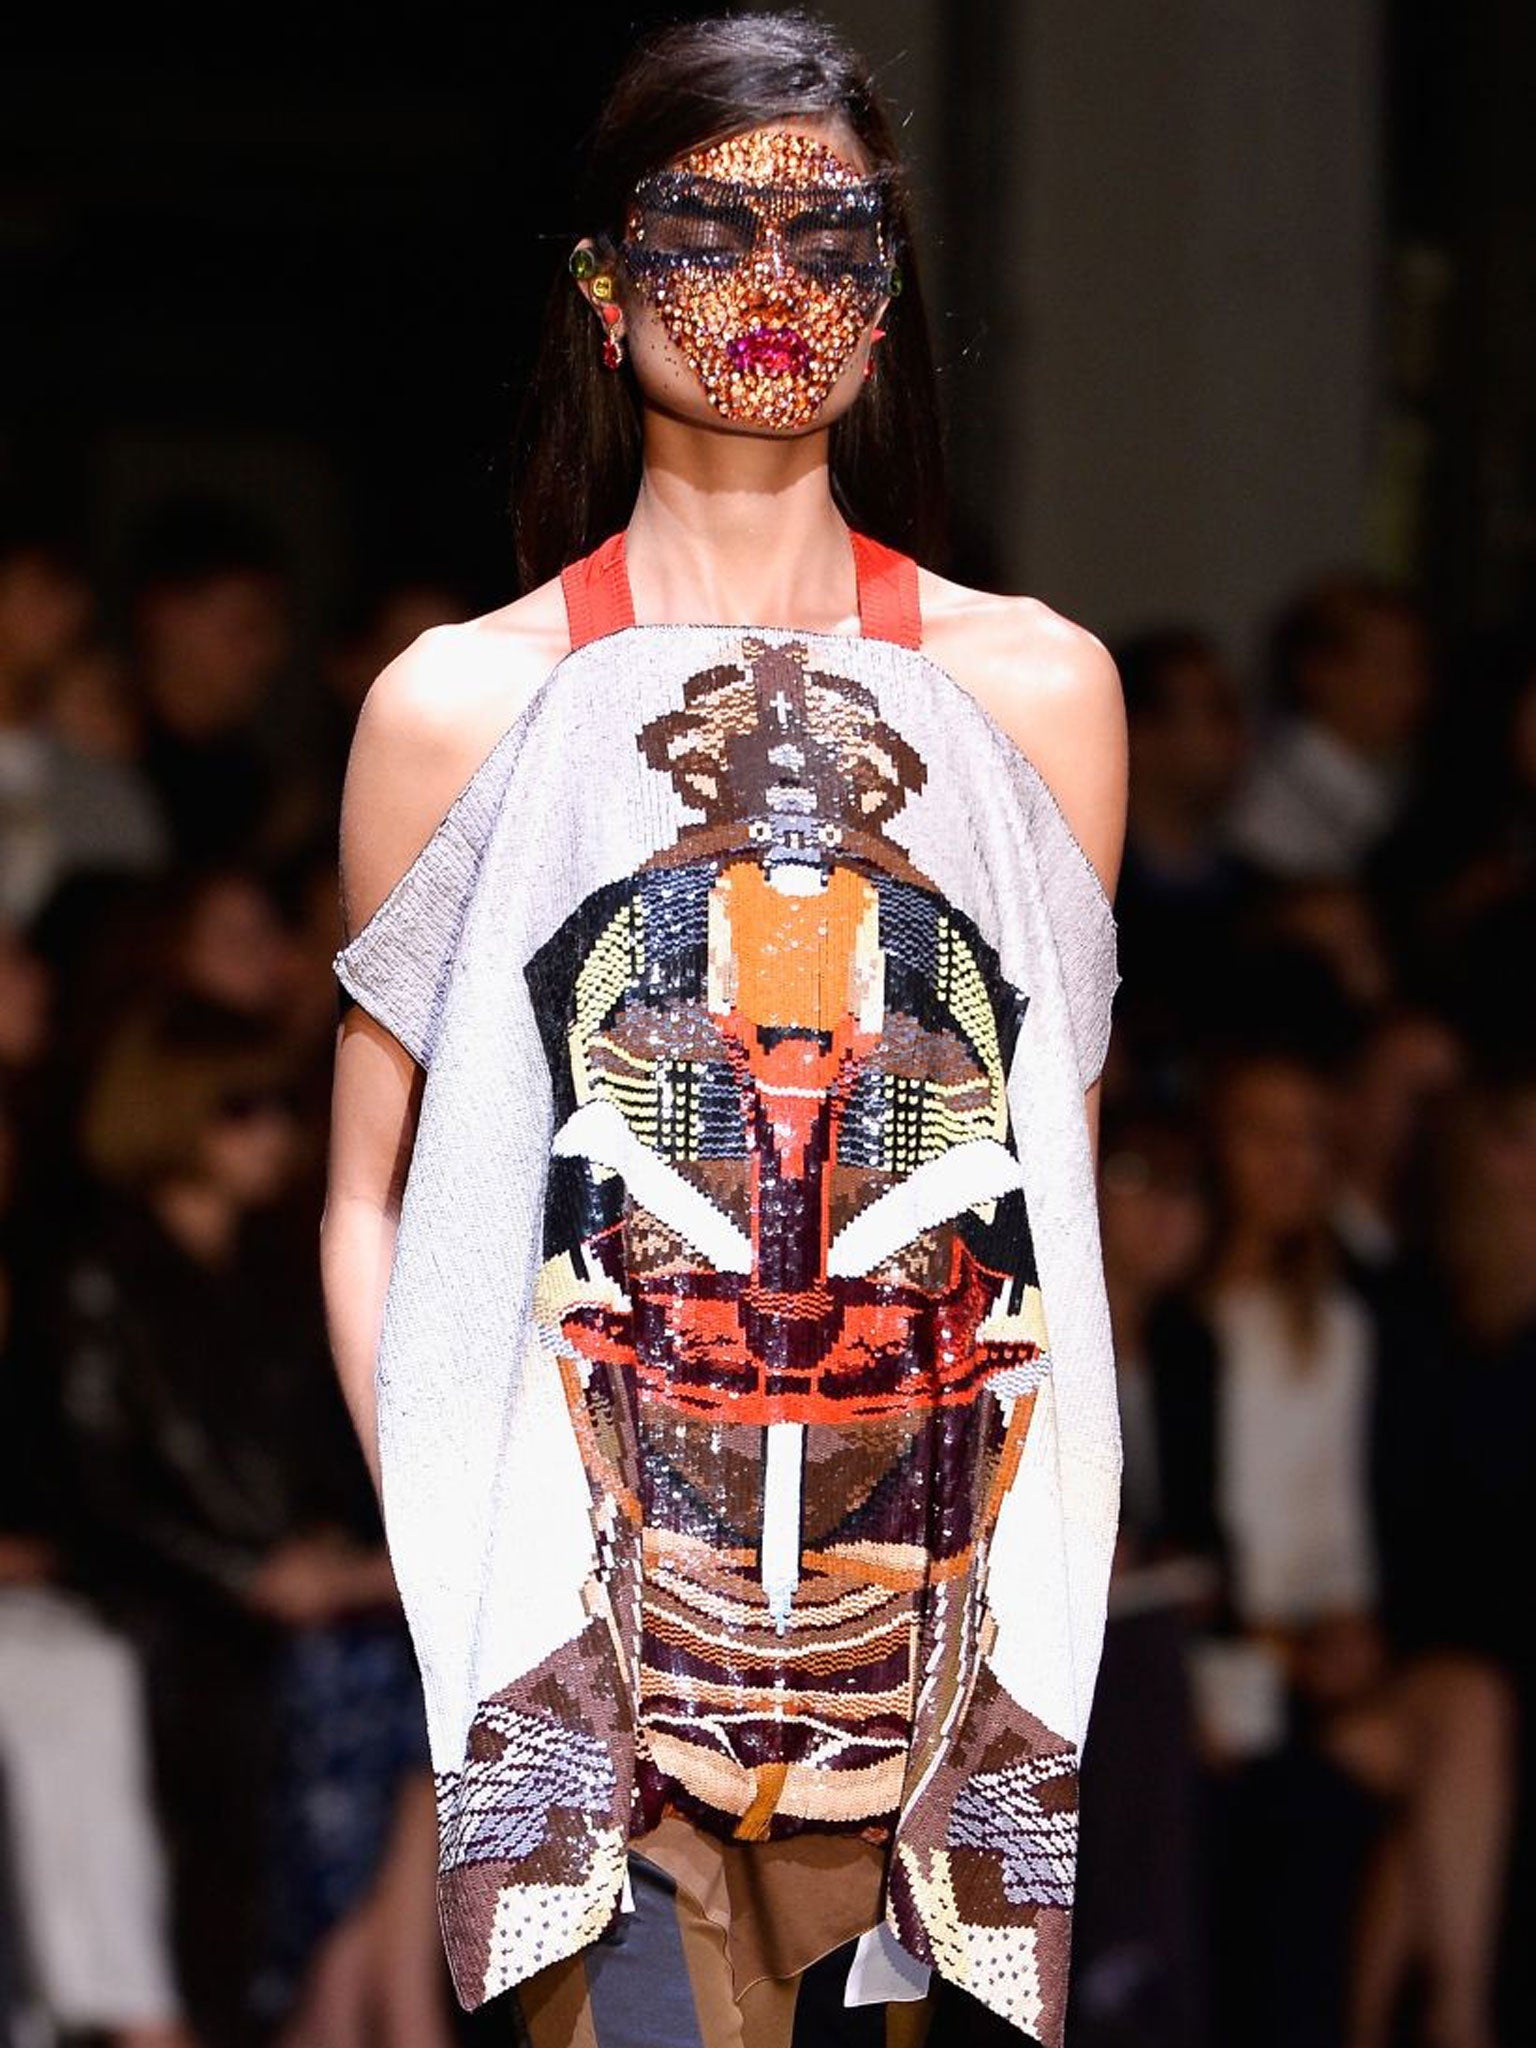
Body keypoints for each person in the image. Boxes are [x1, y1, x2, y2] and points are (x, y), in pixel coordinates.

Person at [322, 13, 1128, 2047]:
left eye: (830, 235)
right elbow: (373, 1191)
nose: (769, 288)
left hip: (936, 1616)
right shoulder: (456, 707)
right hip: (589, 1626)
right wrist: (475, 1548)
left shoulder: (1038, 694)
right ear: (604, 284)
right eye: (705, 226)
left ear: (889, 291)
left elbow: (1057, 1201)